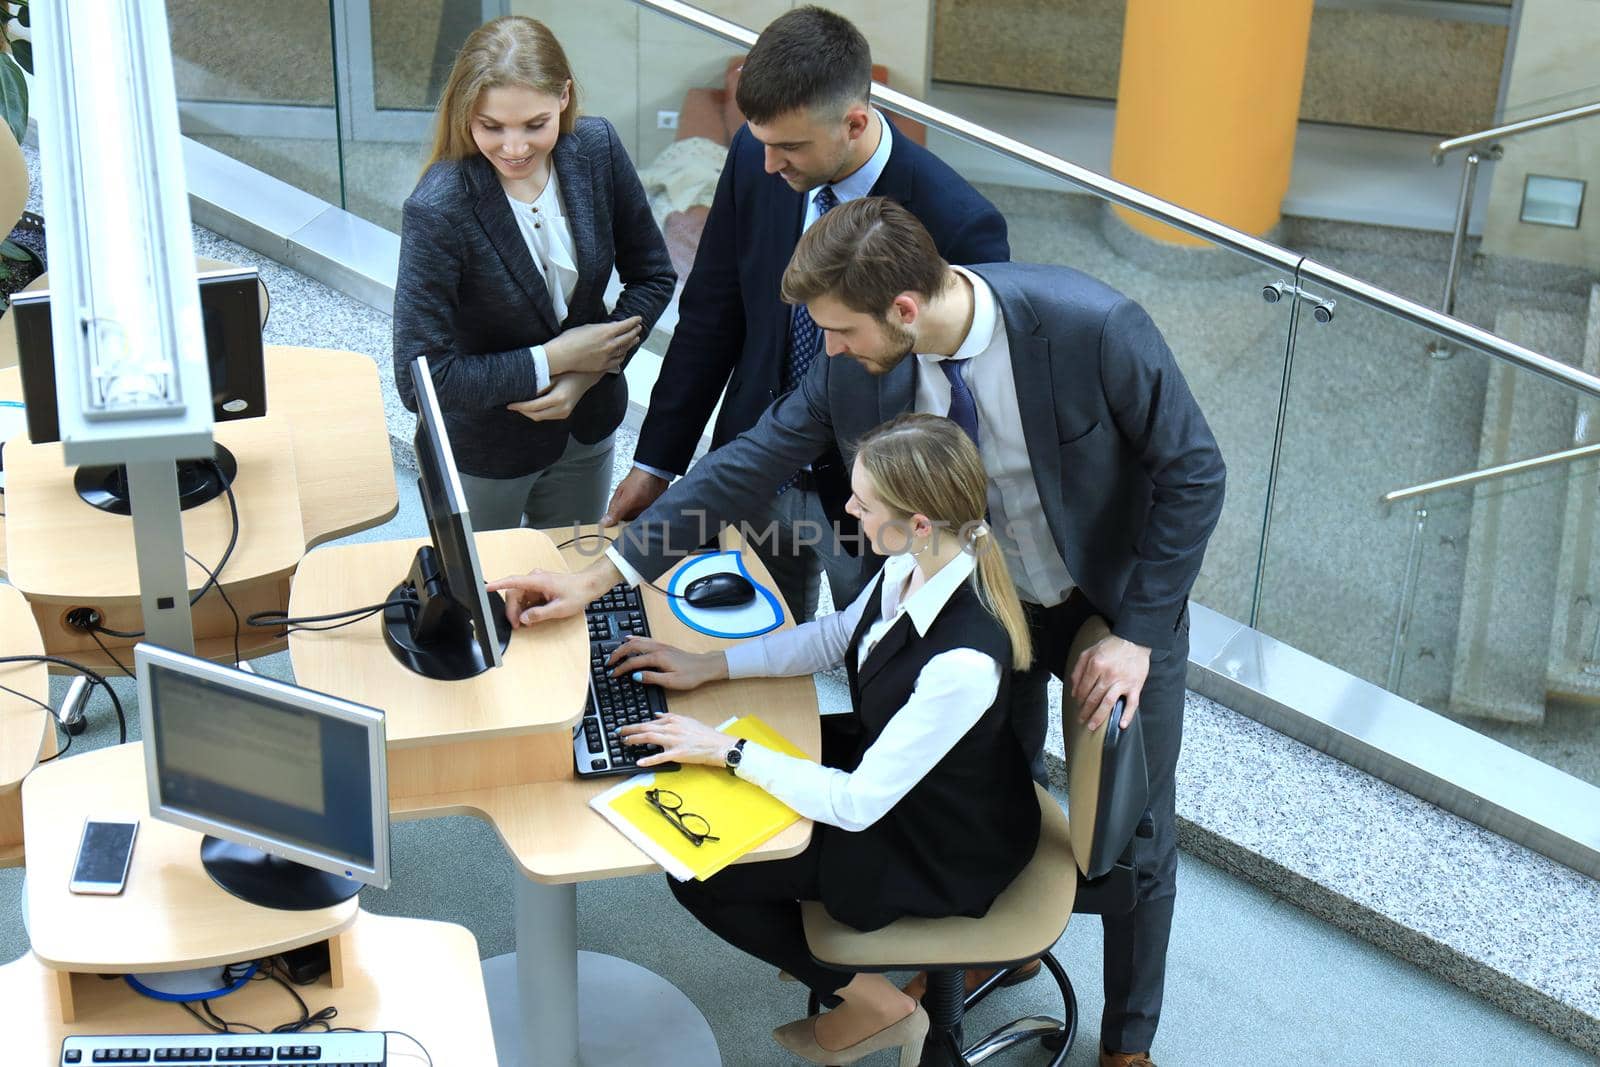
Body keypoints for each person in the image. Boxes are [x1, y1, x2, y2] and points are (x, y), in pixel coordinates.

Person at [489, 198, 1226, 1067]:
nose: (828, 350)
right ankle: (992, 937)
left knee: (1137, 831)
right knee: (986, 763)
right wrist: (600, 574)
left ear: (904, 311)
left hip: (1113, 595)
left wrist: (1136, 630)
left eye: (838, 331)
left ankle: (1130, 1043)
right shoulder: (863, 369)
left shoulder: (1094, 328)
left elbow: (1195, 471)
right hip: (978, 590)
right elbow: (746, 464)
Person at [608, 414, 1040, 1066]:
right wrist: (710, 664)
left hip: (936, 842)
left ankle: (875, 1002)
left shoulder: (963, 661)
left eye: (863, 502)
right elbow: (837, 633)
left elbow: (857, 804)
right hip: (901, 774)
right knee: (715, 787)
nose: (848, 507)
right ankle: (819, 949)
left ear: (919, 520)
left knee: (701, 869)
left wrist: (728, 751)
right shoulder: (919, 561)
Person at [601, 5, 1009, 622]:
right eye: (763, 142)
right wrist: (657, 462)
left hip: (872, 501)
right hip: (752, 467)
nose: (769, 164)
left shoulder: (957, 221)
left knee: (873, 656)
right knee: (745, 638)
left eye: (789, 146)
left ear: (854, 122)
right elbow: (712, 314)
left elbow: (966, 403)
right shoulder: (752, 154)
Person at [393, 15, 674, 531]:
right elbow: (422, 382)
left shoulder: (596, 148)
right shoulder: (438, 208)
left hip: (588, 432)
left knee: (567, 582)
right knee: (484, 595)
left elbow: (653, 277)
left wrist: (589, 373)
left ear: (564, 98)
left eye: (534, 124)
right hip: (484, 454)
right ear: (465, 114)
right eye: (491, 126)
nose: (515, 148)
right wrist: (553, 359)